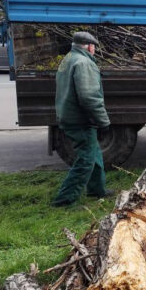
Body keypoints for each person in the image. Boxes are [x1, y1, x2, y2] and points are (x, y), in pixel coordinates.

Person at [52, 31, 113, 207]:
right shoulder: (84, 63)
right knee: (86, 159)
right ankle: (65, 200)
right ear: (89, 46)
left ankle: (97, 189)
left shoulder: (69, 59)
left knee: (94, 154)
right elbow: (89, 97)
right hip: (80, 120)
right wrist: (103, 121)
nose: (94, 50)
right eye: (94, 47)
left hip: (68, 115)